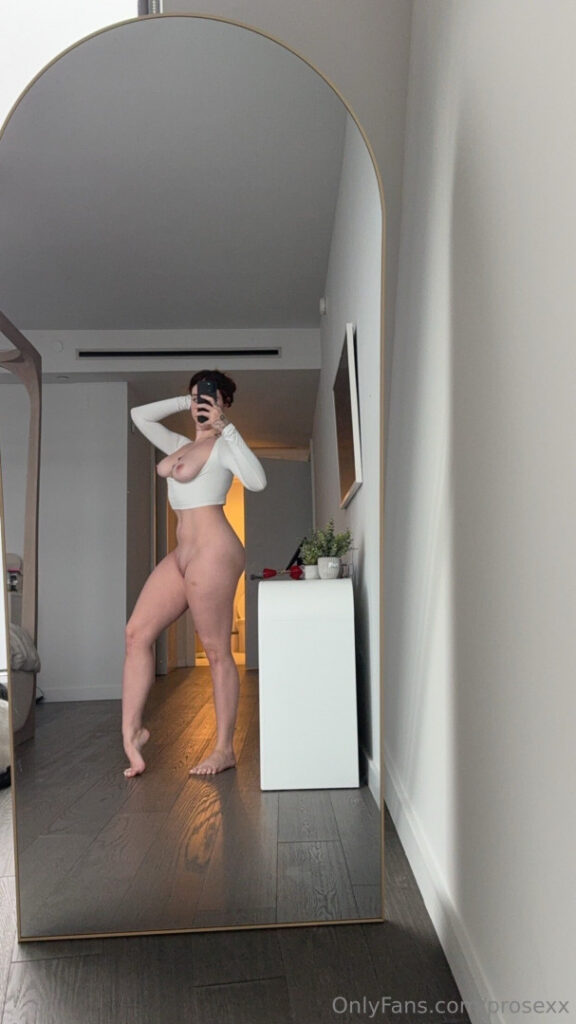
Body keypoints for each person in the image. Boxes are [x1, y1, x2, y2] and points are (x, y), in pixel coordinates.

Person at [122, 370, 267, 778]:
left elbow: (257, 481)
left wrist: (226, 426)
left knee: (216, 650)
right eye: (196, 397)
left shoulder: (225, 447)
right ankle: (132, 733)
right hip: (182, 553)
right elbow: (139, 416)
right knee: (136, 634)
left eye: (208, 396)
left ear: (224, 402)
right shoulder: (179, 445)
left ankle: (224, 750)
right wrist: (184, 401)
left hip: (214, 551)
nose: (200, 403)